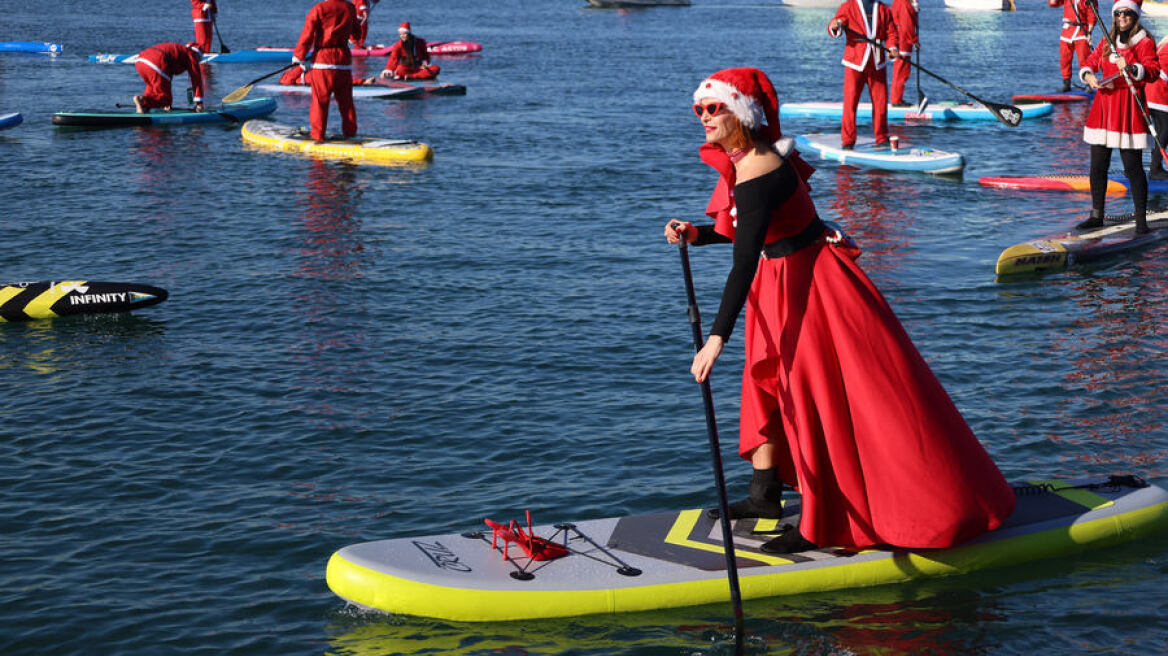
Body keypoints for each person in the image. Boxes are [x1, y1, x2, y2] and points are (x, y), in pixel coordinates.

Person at [664, 67, 1015, 553]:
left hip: (810, 287)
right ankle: (765, 494)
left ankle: (819, 520)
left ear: (740, 114)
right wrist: (695, 233)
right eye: (699, 109)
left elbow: (743, 261)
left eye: (713, 108)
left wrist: (715, 339)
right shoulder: (746, 162)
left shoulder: (758, 170)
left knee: (812, 397)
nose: (703, 118)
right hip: (782, 280)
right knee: (766, 387)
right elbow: (746, 234)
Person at [1079, 0, 1158, 234]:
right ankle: (1096, 215)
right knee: (1097, 166)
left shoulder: (1144, 41)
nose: (1122, 17)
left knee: (1132, 167)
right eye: (1118, 13)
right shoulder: (1107, 39)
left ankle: (1141, 222)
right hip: (1103, 107)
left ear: (1134, 16)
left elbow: (1152, 70)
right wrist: (1089, 76)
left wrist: (1133, 68)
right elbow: (1089, 62)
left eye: (1127, 13)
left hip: (1128, 107)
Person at [828, 0, 899, 149]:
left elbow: (891, 32)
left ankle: (881, 137)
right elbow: (836, 26)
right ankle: (848, 140)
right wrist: (834, 26)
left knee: (880, 102)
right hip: (855, 61)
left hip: (877, 61)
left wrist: (893, 48)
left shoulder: (884, 8)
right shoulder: (848, 6)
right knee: (851, 102)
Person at [293, 0, 360, 142]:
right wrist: (351, 37)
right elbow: (357, 35)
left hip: (323, 62)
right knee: (346, 102)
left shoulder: (319, 8)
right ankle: (350, 134)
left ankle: (318, 136)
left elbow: (308, 34)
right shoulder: (350, 7)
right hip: (343, 62)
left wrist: (299, 57)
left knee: (320, 102)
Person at [132, 42, 205, 114]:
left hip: (140, 61)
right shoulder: (191, 54)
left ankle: (144, 106)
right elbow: (196, 79)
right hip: (156, 61)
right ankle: (143, 100)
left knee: (153, 87)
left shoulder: (180, 49)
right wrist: (199, 103)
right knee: (166, 98)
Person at [1050, 0, 1097, 92]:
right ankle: (1066, 83)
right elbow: (1053, 3)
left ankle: (1088, 83)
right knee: (1064, 59)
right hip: (1067, 31)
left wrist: (1089, 33)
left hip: (1082, 30)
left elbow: (1092, 15)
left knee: (1084, 59)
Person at [1145, 33, 1168, 180]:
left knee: (1163, 129)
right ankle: (1155, 169)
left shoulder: (1164, 42)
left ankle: (1156, 166)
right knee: (1165, 129)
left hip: (1153, 91)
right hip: (1158, 92)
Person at [889, 0, 919, 108]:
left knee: (901, 71)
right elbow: (907, 24)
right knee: (901, 71)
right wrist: (914, 40)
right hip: (903, 41)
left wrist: (914, 10)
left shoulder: (901, 2)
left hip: (902, 40)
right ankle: (896, 100)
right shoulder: (903, 3)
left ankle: (897, 98)